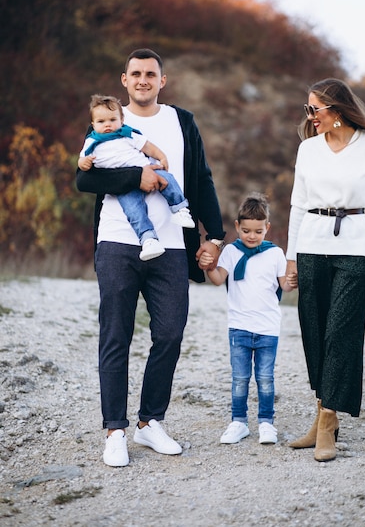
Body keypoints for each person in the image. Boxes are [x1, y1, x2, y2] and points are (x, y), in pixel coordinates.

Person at [76, 48, 225, 467]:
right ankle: (115, 431)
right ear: (124, 79)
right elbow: (82, 178)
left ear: (163, 80)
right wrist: (134, 176)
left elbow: (201, 179)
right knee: (116, 335)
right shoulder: (107, 118)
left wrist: (213, 235)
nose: (142, 80)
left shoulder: (182, 121)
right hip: (118, 242)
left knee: (171, 334)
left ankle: (149, 423)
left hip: (171, 246)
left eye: (151, 74)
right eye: (135, 73)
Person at [285, 78, 365, 462]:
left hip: (355, 246)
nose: (310, 116)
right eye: (308, 108)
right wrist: (290, 256)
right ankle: (321, 412)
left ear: (338, 110)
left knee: (341, 331)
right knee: (314, 329)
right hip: (312, 244)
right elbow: (297, 204)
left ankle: (329, 421)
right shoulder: (308, 150)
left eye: (316, 109)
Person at [199, 192, 295, 445]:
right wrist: (208, 266)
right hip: (239, 327)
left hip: (267, 328)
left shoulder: (275, 254)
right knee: (240, 378)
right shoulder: (231, 251)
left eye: (258, 231)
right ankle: (238, 422)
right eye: (247, 231)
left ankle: (266, 423)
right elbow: (219, 279)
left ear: (267, 228)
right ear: (238, 227)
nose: (252, 236)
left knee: (265, 378)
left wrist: (292, 280)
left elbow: (284, 285)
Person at [78, 94, 195, 261]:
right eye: (101, 122)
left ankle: (180, 208)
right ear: (93, 125)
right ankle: (148, 239)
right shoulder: (92, 142)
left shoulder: (127, 134)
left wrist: (161, 156)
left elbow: (147, 146)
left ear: (121, 119)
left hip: (146, 169)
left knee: (168, 179)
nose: (108, 125)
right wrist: (85, 163)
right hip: (123, 186)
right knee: (134, 211)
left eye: (113, 120)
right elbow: (82, 164)